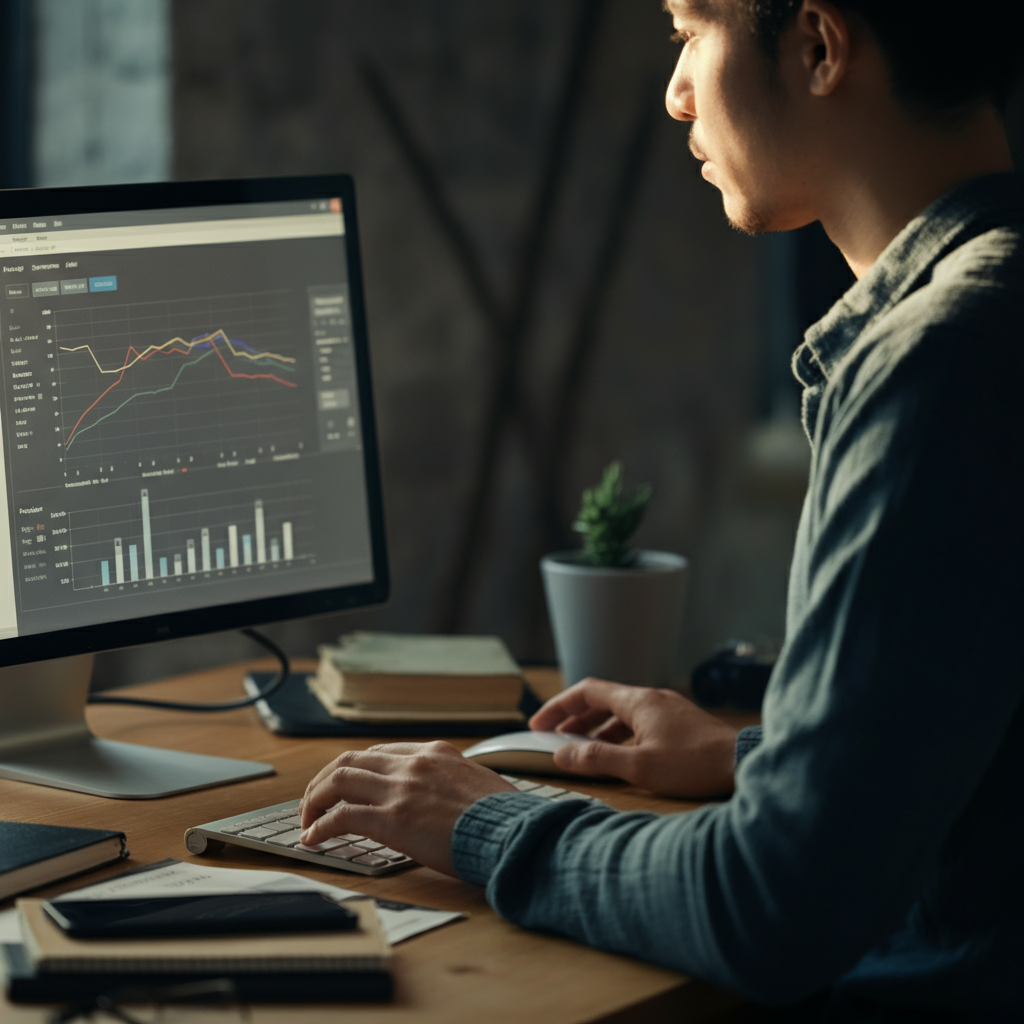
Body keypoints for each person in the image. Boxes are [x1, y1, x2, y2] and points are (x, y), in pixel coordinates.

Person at [300, 1, 1024, 1016]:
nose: (675, 91)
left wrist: (483, 820)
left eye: (691, 32)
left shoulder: (940, 363)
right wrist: (747, 756)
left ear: (816, 46)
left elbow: (770, 902)